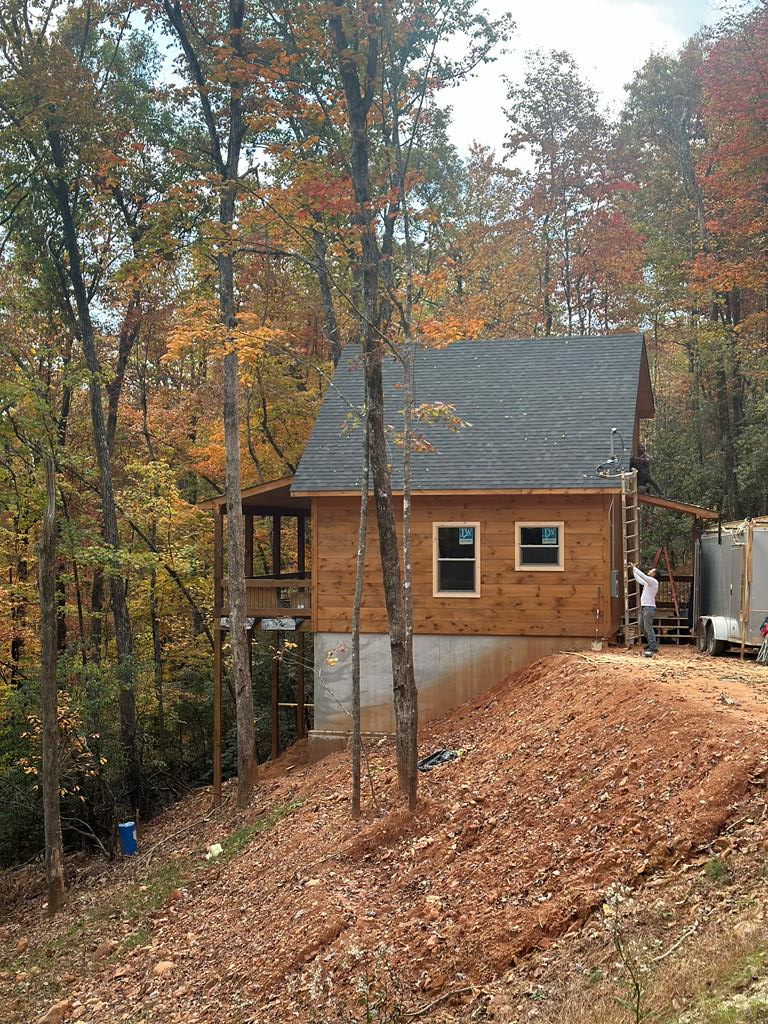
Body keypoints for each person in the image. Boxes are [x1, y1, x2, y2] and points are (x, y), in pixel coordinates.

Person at [629, 561, 659, 656]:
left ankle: (653, 646)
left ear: (654, 574)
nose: (649, 571)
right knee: (641, 625)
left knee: (648, 627)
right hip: (644, 607)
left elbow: (643, 576)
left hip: (649, 607)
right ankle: (650, 643)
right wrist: (633, 570)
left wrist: (634, 568)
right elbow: (639, 579)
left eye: (651, 571)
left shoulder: (653, 581)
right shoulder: (648, 583)